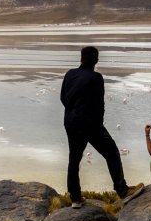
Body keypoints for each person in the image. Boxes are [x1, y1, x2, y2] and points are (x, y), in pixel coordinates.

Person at [60, 46, 144, 208]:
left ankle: (76, 198)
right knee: (111, 152)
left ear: (81, 58)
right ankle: (122, 190)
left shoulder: (70, 74)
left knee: (74, 159)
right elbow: (99, 105)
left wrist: (73, 112)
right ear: (96, 60)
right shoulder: (96, 78)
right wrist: (98, 125)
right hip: (90, 124)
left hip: (71, 123)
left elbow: (63, 98)